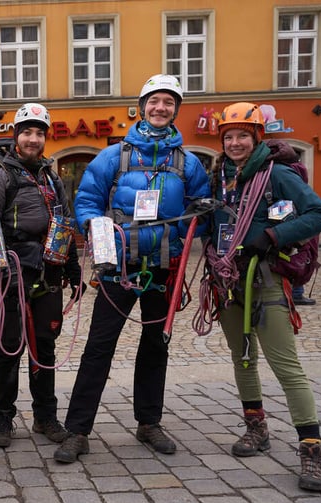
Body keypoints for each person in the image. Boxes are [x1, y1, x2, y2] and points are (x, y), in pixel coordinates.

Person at [54, 75, 210, 464]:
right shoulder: (112, 157)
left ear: (176, 110)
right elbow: (86, 201)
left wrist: (185, 232)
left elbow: (201, 212)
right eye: (154, 101)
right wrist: (100, 231)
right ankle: (77, 430)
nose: (160, 108)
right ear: (142, 107)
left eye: (168, 102)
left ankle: (149, 423)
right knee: (99, 347)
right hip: (118, 268)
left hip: (163, 268)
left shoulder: (189, 163)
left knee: (156, 346)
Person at [204, 102, 321, 491]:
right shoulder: (220, 178)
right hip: (227, 281)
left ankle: (311, 451)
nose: (235, 143)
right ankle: (256, 428)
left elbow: (319, 214)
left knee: (286, 366)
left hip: (265, 280)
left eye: (243, 136)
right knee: (243, 359)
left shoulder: (276, 174)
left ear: (257, 137)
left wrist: (273, 236)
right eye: (228, 136)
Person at [0, 102, 82, 448]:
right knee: (10, 346)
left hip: (48, 273)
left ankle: (45, 416)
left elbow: (63, 225)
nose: (33, 139)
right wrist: (1, 275)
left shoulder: (52, 178)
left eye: (39, 133)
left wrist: (72, 269)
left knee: (45, 344)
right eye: (27, 132)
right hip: (12, 274)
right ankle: (3, 416)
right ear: (16, 136)